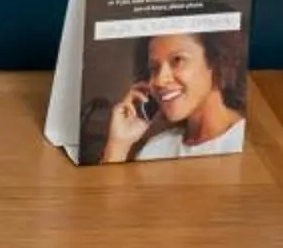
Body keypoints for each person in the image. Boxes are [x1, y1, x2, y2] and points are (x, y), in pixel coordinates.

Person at [104, 28, 248, 160]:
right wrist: (118, 144)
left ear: (218, 62)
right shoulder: (155, 149)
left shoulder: (247, 141)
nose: (160, 81)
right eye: (154, 68)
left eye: (177, 60)